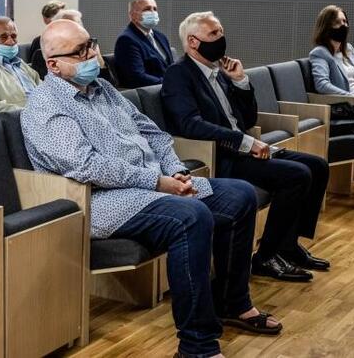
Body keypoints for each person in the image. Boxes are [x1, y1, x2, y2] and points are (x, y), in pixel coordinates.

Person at [22, 19, 282, 358]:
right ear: (54, 65)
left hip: (154, 183)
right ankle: (197, 346)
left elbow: (152, 133)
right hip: (101, 201)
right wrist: (158, 182)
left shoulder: (104, 89)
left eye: (91, 44)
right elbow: (86, 166)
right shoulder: (45, 106)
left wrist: (176, 170)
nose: (92, 54)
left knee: (240, 196)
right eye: (80, 51)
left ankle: (232, 303)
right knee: (191, 216)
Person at [161, 11, 330, 282]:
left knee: (318, 166)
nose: (221, 38)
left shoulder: (219, 72)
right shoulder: (179, 74)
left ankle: (288, 246)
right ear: (193, 42)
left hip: (243, 148)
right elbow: (189, 124)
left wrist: (240, 82)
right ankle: (266, 257)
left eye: (221, 31)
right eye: (214, 33)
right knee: (297, 175)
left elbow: (247, 119)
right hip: (222, 156)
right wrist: (244, 141)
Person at [309, 5, 354, 121]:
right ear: (326, 27)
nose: (344, 25)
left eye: (345, 21)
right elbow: (322, 85)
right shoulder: (320, 53)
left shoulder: (349, 49)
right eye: (338, 22)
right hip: (347, 106)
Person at [113, 0, 174, 88]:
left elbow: (171, 66)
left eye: (155, 9)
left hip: (169, 88)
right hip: (150, 92)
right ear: (132, 15)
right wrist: (168, 83)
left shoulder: (161, 37)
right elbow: (137, 77)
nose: (153, 12)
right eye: (147, 9)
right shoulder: (126, 40)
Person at [28, 0, 66, 72]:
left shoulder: (72, 41)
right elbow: (33, 71)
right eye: (57, 17)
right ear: (45, 19)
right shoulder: (38, 42)